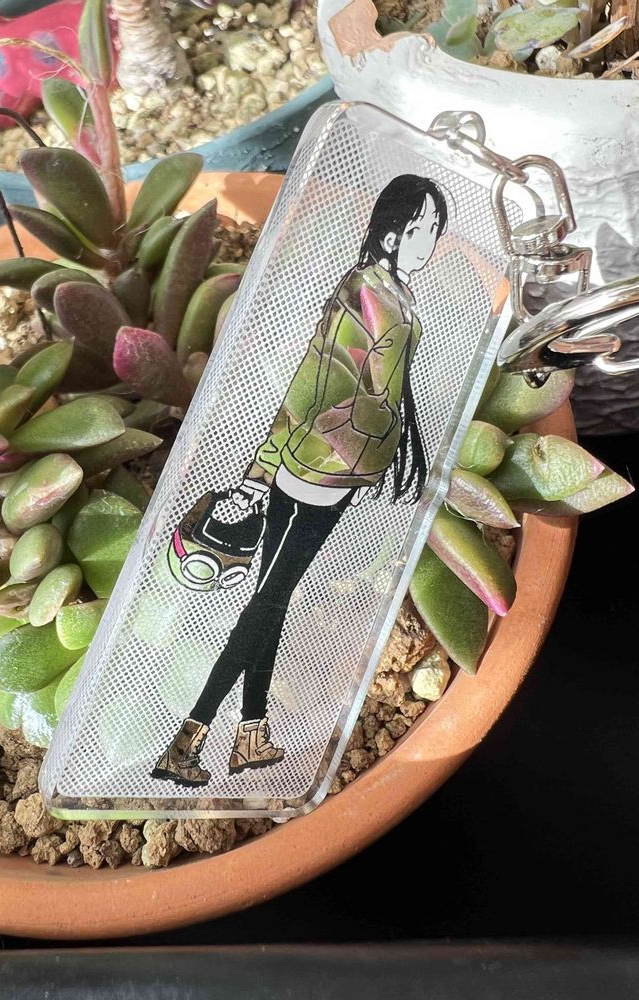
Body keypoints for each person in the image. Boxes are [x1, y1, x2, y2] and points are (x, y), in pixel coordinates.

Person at [152, 173, 449, 787]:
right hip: (320, 465)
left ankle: (250, 735)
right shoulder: (364, 292)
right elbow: (315, 381)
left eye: (436, 230)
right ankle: (187, 739)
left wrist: (396, 442)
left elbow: (389, 388)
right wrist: (261, 473)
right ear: (390, 233)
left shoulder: (392, 291)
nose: (429, 241)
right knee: (269, 601)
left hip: (341, 464)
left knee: (272, 598)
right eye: (421, 228)